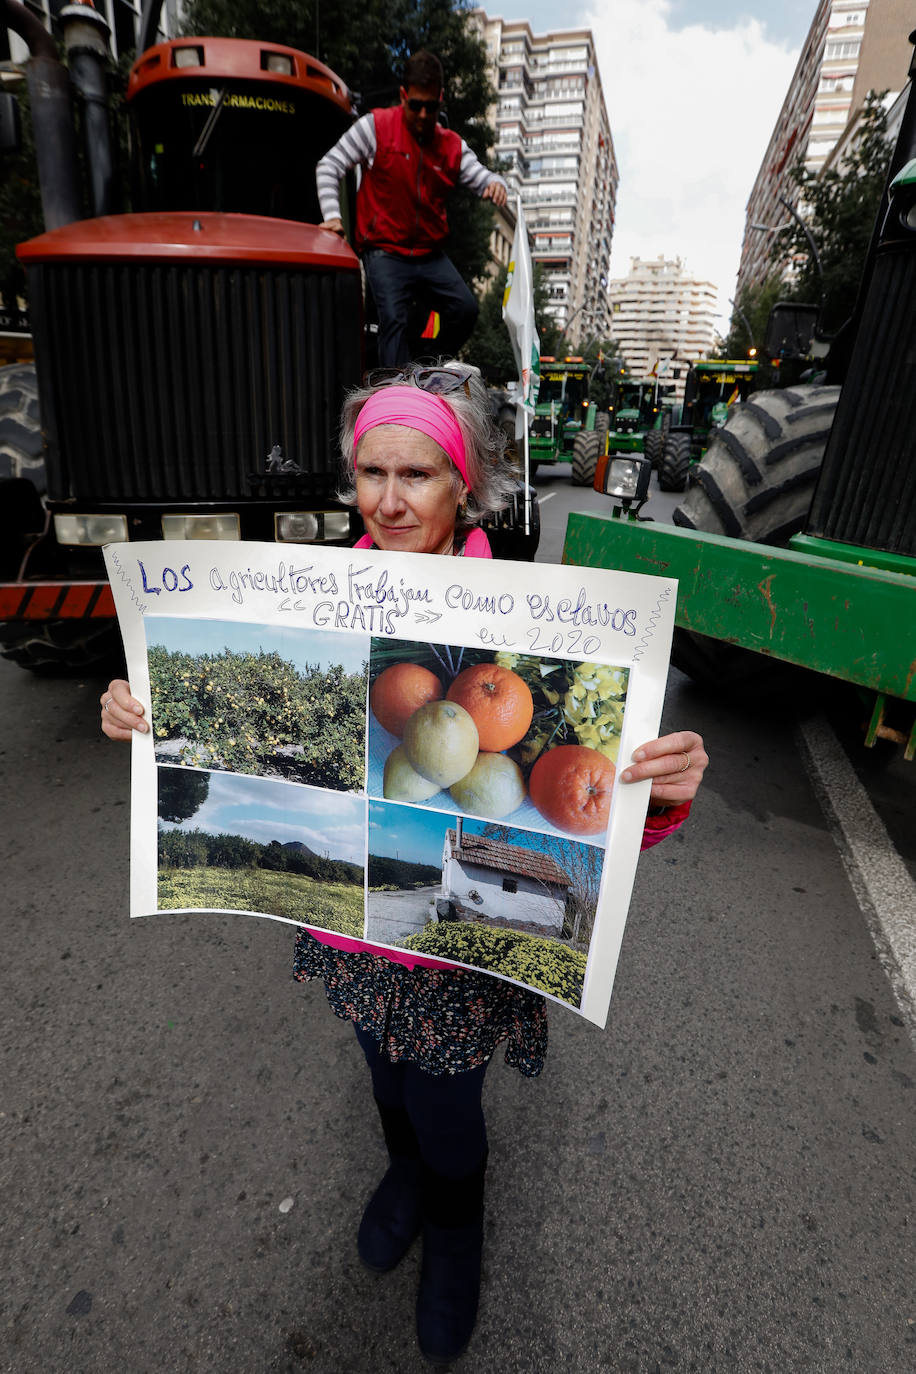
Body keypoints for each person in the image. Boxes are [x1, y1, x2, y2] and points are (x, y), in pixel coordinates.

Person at [101, 361, 708, 1366]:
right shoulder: (295, 599)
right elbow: (230, 720)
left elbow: (584, 821)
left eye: (417, 475)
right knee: (377, 1062)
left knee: (446, 1101)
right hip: (348, 917)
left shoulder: (530, 621)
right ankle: (399, 1176)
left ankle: (456, 1232)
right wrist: (142, 710)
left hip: (452, 949)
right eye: (370, 473)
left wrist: (663, 791)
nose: (388, 500)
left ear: (462, 486)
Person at [316, 51, 508, 368]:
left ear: (440, 101)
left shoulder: (451, 146)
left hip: (428, 254)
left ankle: (422, 366)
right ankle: (396, 391)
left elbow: (482, 175)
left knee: (465, 309)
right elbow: (329, 165)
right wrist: (333, 217)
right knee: (394, 317)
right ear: (403, 95)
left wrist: (495, 183)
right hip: (384, 249)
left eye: (430, 107)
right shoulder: (375, 128)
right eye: (415, 105)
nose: (422, 114)